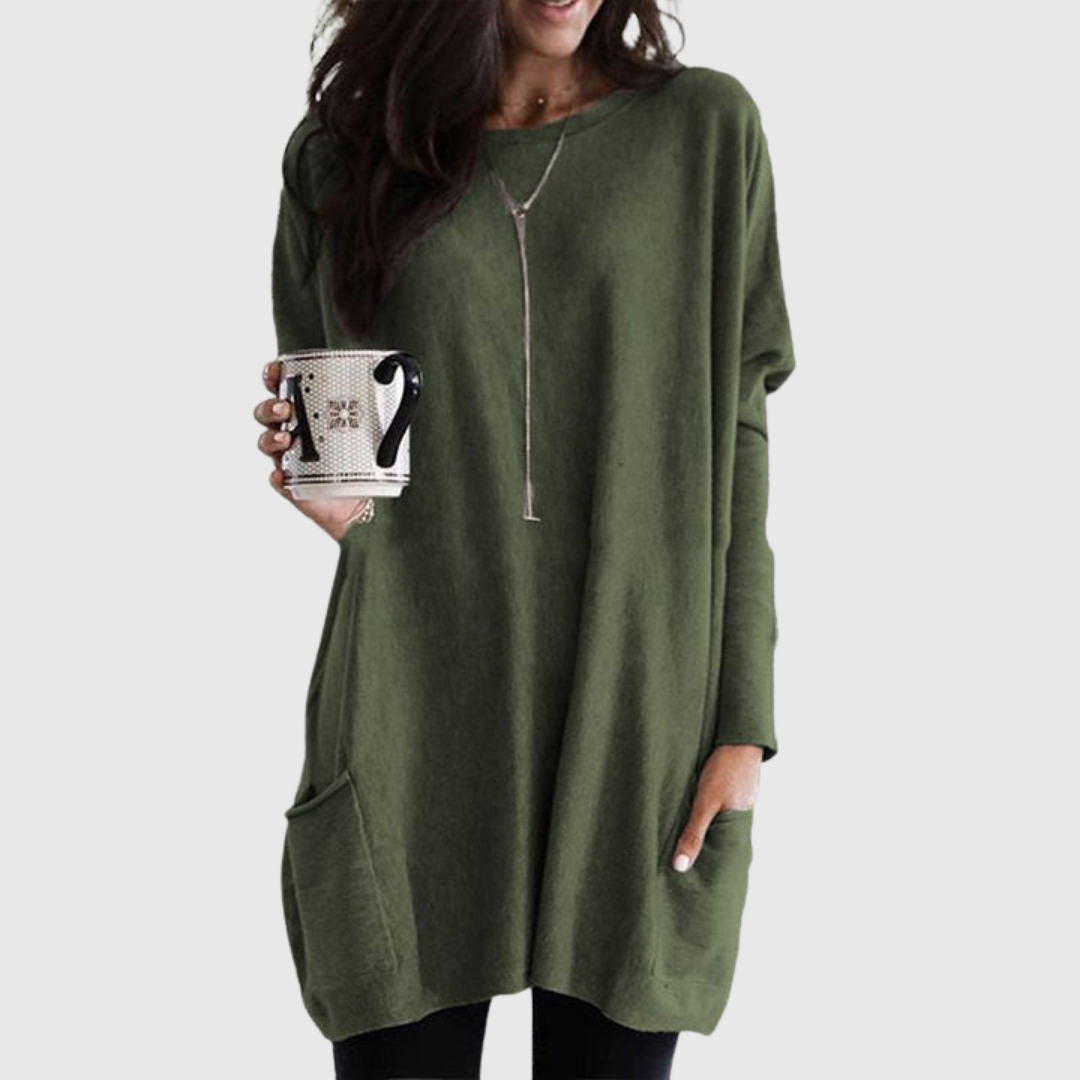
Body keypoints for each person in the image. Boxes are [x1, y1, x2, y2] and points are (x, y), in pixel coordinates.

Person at [253, 1, 796, 1077]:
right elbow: (343, 436)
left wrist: (744, 722)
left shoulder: (705, 132)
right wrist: (331, 500)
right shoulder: (342, 157)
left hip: (638, 711)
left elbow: (739, 438)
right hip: (413, 711)